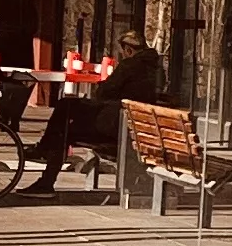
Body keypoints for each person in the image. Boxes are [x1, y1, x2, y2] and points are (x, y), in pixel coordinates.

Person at [16, 42, 168, 196]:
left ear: (128, 50)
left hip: (116, 127)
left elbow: (104, 92)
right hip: (135, 126)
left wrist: (104, 89)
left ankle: (45, 175)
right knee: (67, 109)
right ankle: (44, 157)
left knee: (64, 125)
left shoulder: (129, 65)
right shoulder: (157, 70)